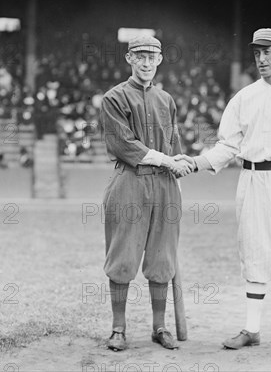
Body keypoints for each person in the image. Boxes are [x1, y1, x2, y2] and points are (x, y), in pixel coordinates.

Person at [176, 28, 271, 358]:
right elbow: (228, 146)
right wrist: (197, 162)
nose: (261, 59)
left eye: (267, 52)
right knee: (254, 249)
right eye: (256, 53)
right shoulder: (244, 97)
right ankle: (252, 329)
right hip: (254, 177)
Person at [99, 35, 193, 352]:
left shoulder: (166, 100)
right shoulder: (114, 98)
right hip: (129, 181)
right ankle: (118, 329)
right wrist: (167, 159)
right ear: (129, 59)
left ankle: (159, 327)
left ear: (160, 60)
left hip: (165, 185)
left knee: (162, 258)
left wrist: (178, 166)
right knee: (123, 255)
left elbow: (174, 146)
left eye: (151, 56)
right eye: (139, 56)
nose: (145, 62)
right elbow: (123, 145)